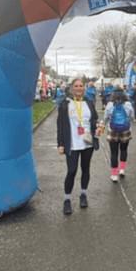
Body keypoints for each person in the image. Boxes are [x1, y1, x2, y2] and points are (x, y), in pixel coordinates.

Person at [57, 77, 97, 215]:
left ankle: (83, 195)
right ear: (72, 88)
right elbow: (60, 125)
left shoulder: (89, 103)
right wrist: (60, 144)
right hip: (72, 143)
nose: (79, 88)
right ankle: (67, 199)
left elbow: (94, 120)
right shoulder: (65, 104)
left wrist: (97, 128)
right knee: (72, 171)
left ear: (84, 88)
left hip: (87, 142)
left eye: (81, 86)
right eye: (76, 86)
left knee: (86, 169)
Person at [100, 87, 134, 181]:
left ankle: (114, 174)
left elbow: (105, 118)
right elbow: (132, 117)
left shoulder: (110, 104)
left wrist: (102, 127)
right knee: (124, 150)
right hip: (125, 130)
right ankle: (122, 170)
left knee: (114, 152)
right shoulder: (128, 104)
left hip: (113, 130)